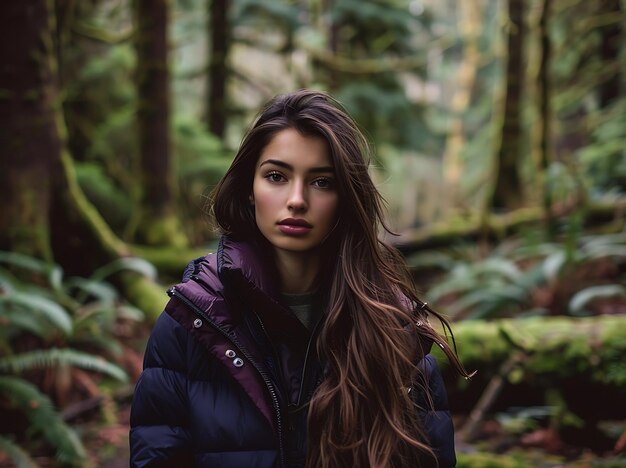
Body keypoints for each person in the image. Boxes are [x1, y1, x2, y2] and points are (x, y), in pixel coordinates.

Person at [129, 89, 472, 467]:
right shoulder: (192, 322)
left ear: (346, 197)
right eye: (276, 176)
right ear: (249, 189)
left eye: (322, 182)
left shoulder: (394, 329)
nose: (296, 199)